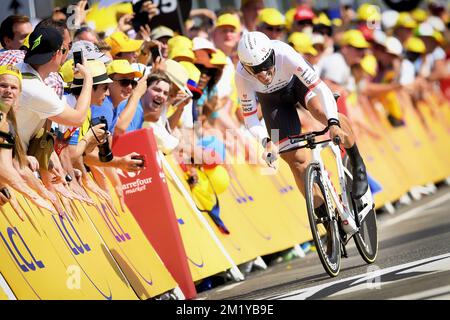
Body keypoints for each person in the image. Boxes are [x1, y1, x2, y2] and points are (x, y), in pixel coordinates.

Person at [234, 31, 369, 222]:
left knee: (321, 112)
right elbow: (250, 119)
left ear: (271, 55)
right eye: (255, 69)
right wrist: (266, 142)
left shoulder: (284, 54)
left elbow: (321, 89)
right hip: (273, 101)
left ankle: (357, 161)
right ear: (245, 67)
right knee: (295, 161)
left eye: (266, 65)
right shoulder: (241, 75)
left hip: (297, 84)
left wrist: (332, 124)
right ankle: (327, 220)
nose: (263, 74)